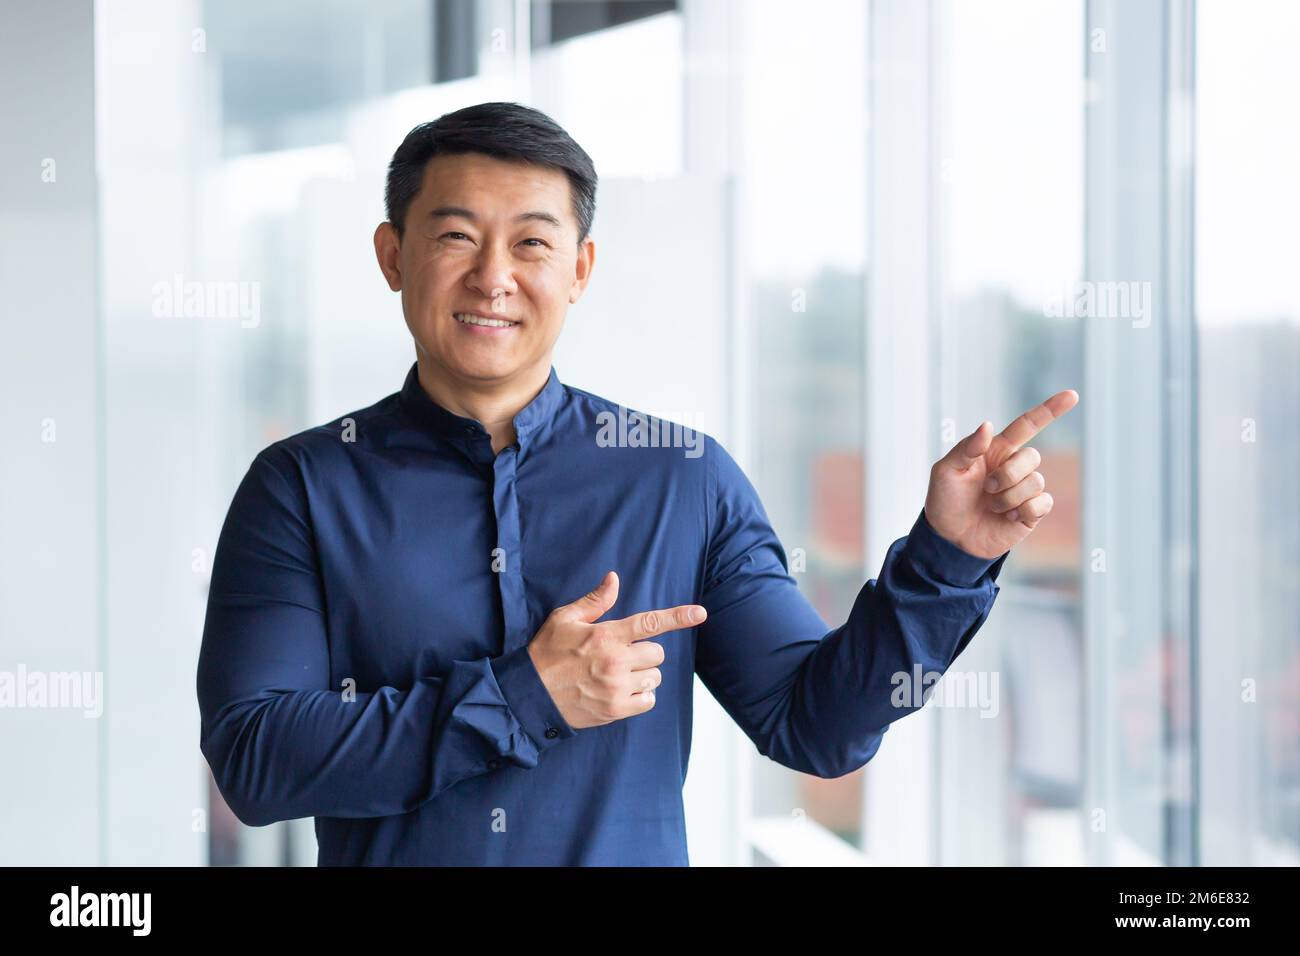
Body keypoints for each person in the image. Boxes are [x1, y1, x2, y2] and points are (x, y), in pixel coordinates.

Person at [195, 101, 1078, 865]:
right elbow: (255, 757)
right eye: (456, 236)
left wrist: (948, 561)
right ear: (394, 256)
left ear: (579, 270)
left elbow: (817, 727)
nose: (493, 276)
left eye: (532, 243)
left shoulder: (683, 480)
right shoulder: (301, 487)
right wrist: (518, 697)